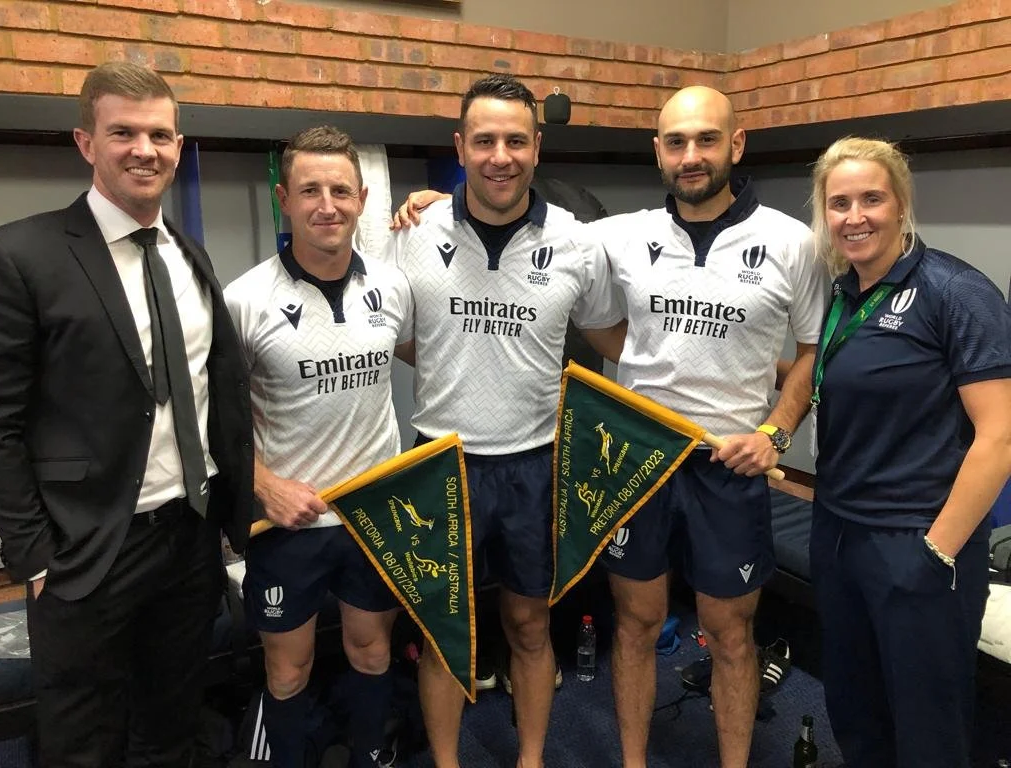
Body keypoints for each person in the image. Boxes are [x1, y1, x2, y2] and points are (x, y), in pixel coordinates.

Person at [394, 85, 828, 768]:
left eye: (706, 140)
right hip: (610, 457)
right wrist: (423, 204)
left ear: (735, 145)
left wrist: (775, 428)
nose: (691, 156)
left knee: (727, 632)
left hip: (703, 462)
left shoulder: (785, 242)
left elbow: (799, 351)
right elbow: (602, 335)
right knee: (623, 622)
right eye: (676, 142)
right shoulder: (594, 236)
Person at [0, 61, 254, 766]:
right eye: (124, 132)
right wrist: (33, 556)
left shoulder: (188, 256)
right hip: (86, 553)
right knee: (83, 739)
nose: (146, 149)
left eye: (160, 134)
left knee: (171, 725)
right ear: (85, 142)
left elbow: (213, 393)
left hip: (191, 542)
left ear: (178, 142)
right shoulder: (20, 255)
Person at [386, 73, 624, 768]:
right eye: (484, 139)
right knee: (441, 634)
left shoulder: (577, 243)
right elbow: (389, 333)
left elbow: (617, 341)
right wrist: (451, 359)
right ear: (460, 147)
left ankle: (529, 759)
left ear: (537, 148)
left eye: (515, 140)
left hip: (535, 465)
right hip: (441, 459)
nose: (500, 155)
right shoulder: (413, 231)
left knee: (528, 623)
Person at [808, 137, 1011, 768]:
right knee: (855, 709)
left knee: (928, 727)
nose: (855, 216)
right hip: (839, 532)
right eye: (839, 203)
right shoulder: (843, 295)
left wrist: (937, 549)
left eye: (872, 198)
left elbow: (999, 437)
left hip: (918, 540)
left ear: (901, 204)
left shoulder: (955, 290)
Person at [224, 126, 412, 768]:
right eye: (309, 190)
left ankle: (370, 754)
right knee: (289, 667)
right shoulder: (246, 300)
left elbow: (432, 355)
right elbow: (210, 419)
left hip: (372, 515)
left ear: (362, 198)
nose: (325, 204)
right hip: (288, 522)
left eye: (339, 190)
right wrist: (265, 486)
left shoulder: (393, 287)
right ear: (284, 197)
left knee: (371, 650)